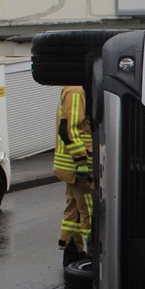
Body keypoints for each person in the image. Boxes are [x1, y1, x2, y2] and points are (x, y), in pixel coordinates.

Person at [54, 85, 95, 266]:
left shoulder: (74, 89)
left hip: (72, 165)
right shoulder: (76, 91)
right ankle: (96, 255)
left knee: (74, 211)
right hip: (80, 166)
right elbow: (68, 130)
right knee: (90, 211)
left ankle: (72, 252)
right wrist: (81, 161)